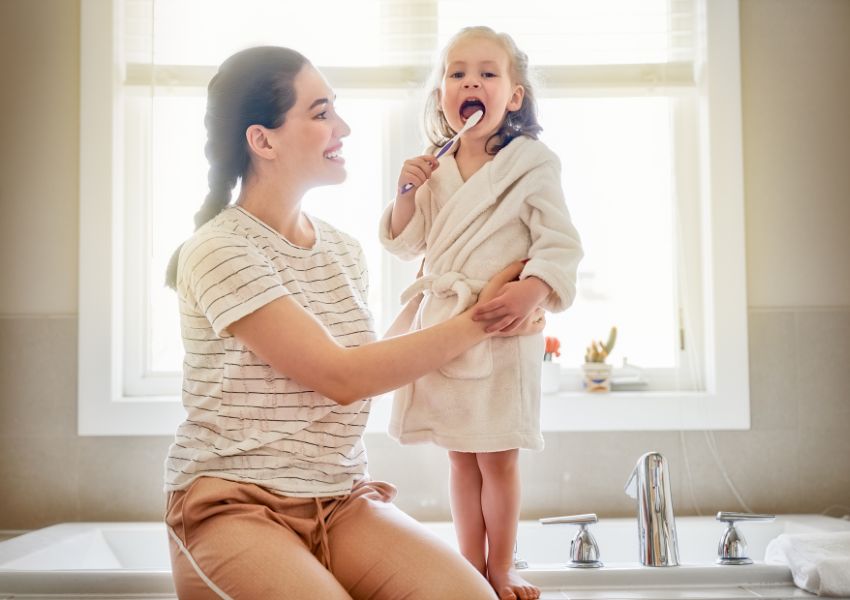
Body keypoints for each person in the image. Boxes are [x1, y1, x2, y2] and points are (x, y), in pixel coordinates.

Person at [162, 46, 547, 600]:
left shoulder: (341, 251)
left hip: (340, 500)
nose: (342, 126)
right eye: (320, 113)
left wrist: (453, 296)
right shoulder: (219, 250)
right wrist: (481, 318)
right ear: (262, 140)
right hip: (234, 506)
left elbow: (370, 363)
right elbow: (341, 377)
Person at [379, 27, 583, 600]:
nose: (471, 81)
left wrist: (534, 290)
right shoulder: (434, 169)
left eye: (488, 74)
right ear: (443, 94)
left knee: (499, 460)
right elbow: (406, 245)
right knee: (461, 461)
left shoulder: (532, 163)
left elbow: (560, 243)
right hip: (445, 330)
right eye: (457, 72)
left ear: (514, 97)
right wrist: (403, 193)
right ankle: (471, 569)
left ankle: (502, 568)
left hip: (502, 331)